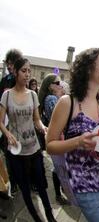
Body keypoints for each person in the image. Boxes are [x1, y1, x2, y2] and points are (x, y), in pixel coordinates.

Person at [46, 48, 99, 221]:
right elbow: (50, 145)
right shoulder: (67, 102)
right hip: (86, 186)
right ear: (87, 69)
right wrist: (77, 141)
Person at [0, 58, 56, 222]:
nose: (27, 74)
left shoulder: (32, 94)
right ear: (16, 72)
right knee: (24, 187)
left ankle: (50, 215)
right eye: (23, 71)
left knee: (41, 185)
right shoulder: (7, 95)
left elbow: (36, 119)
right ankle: (36, 217)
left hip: (33, 148)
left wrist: (43, 127)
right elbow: (1, 121)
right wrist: (7, 133)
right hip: (15, 150)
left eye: (29, 71)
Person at [38, 73, 70, 205]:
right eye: (57, 83)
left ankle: (62, 190)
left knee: (60, 166)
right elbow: (56, 118)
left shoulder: (51, 97)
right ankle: (58, 194)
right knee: (58, 167)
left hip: (57, 136)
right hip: (58, 137)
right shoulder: (51, 98)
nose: (60, 85)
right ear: (50, 86)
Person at [0, 49, 23, 196]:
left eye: (11, 64)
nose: (9, 67)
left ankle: (18, 181)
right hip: (4, 122)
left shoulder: (21, 80)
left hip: (18, 122)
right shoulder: (5, 80)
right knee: (7, 152)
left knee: (17, 153)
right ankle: (9, 182)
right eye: (7, 64)